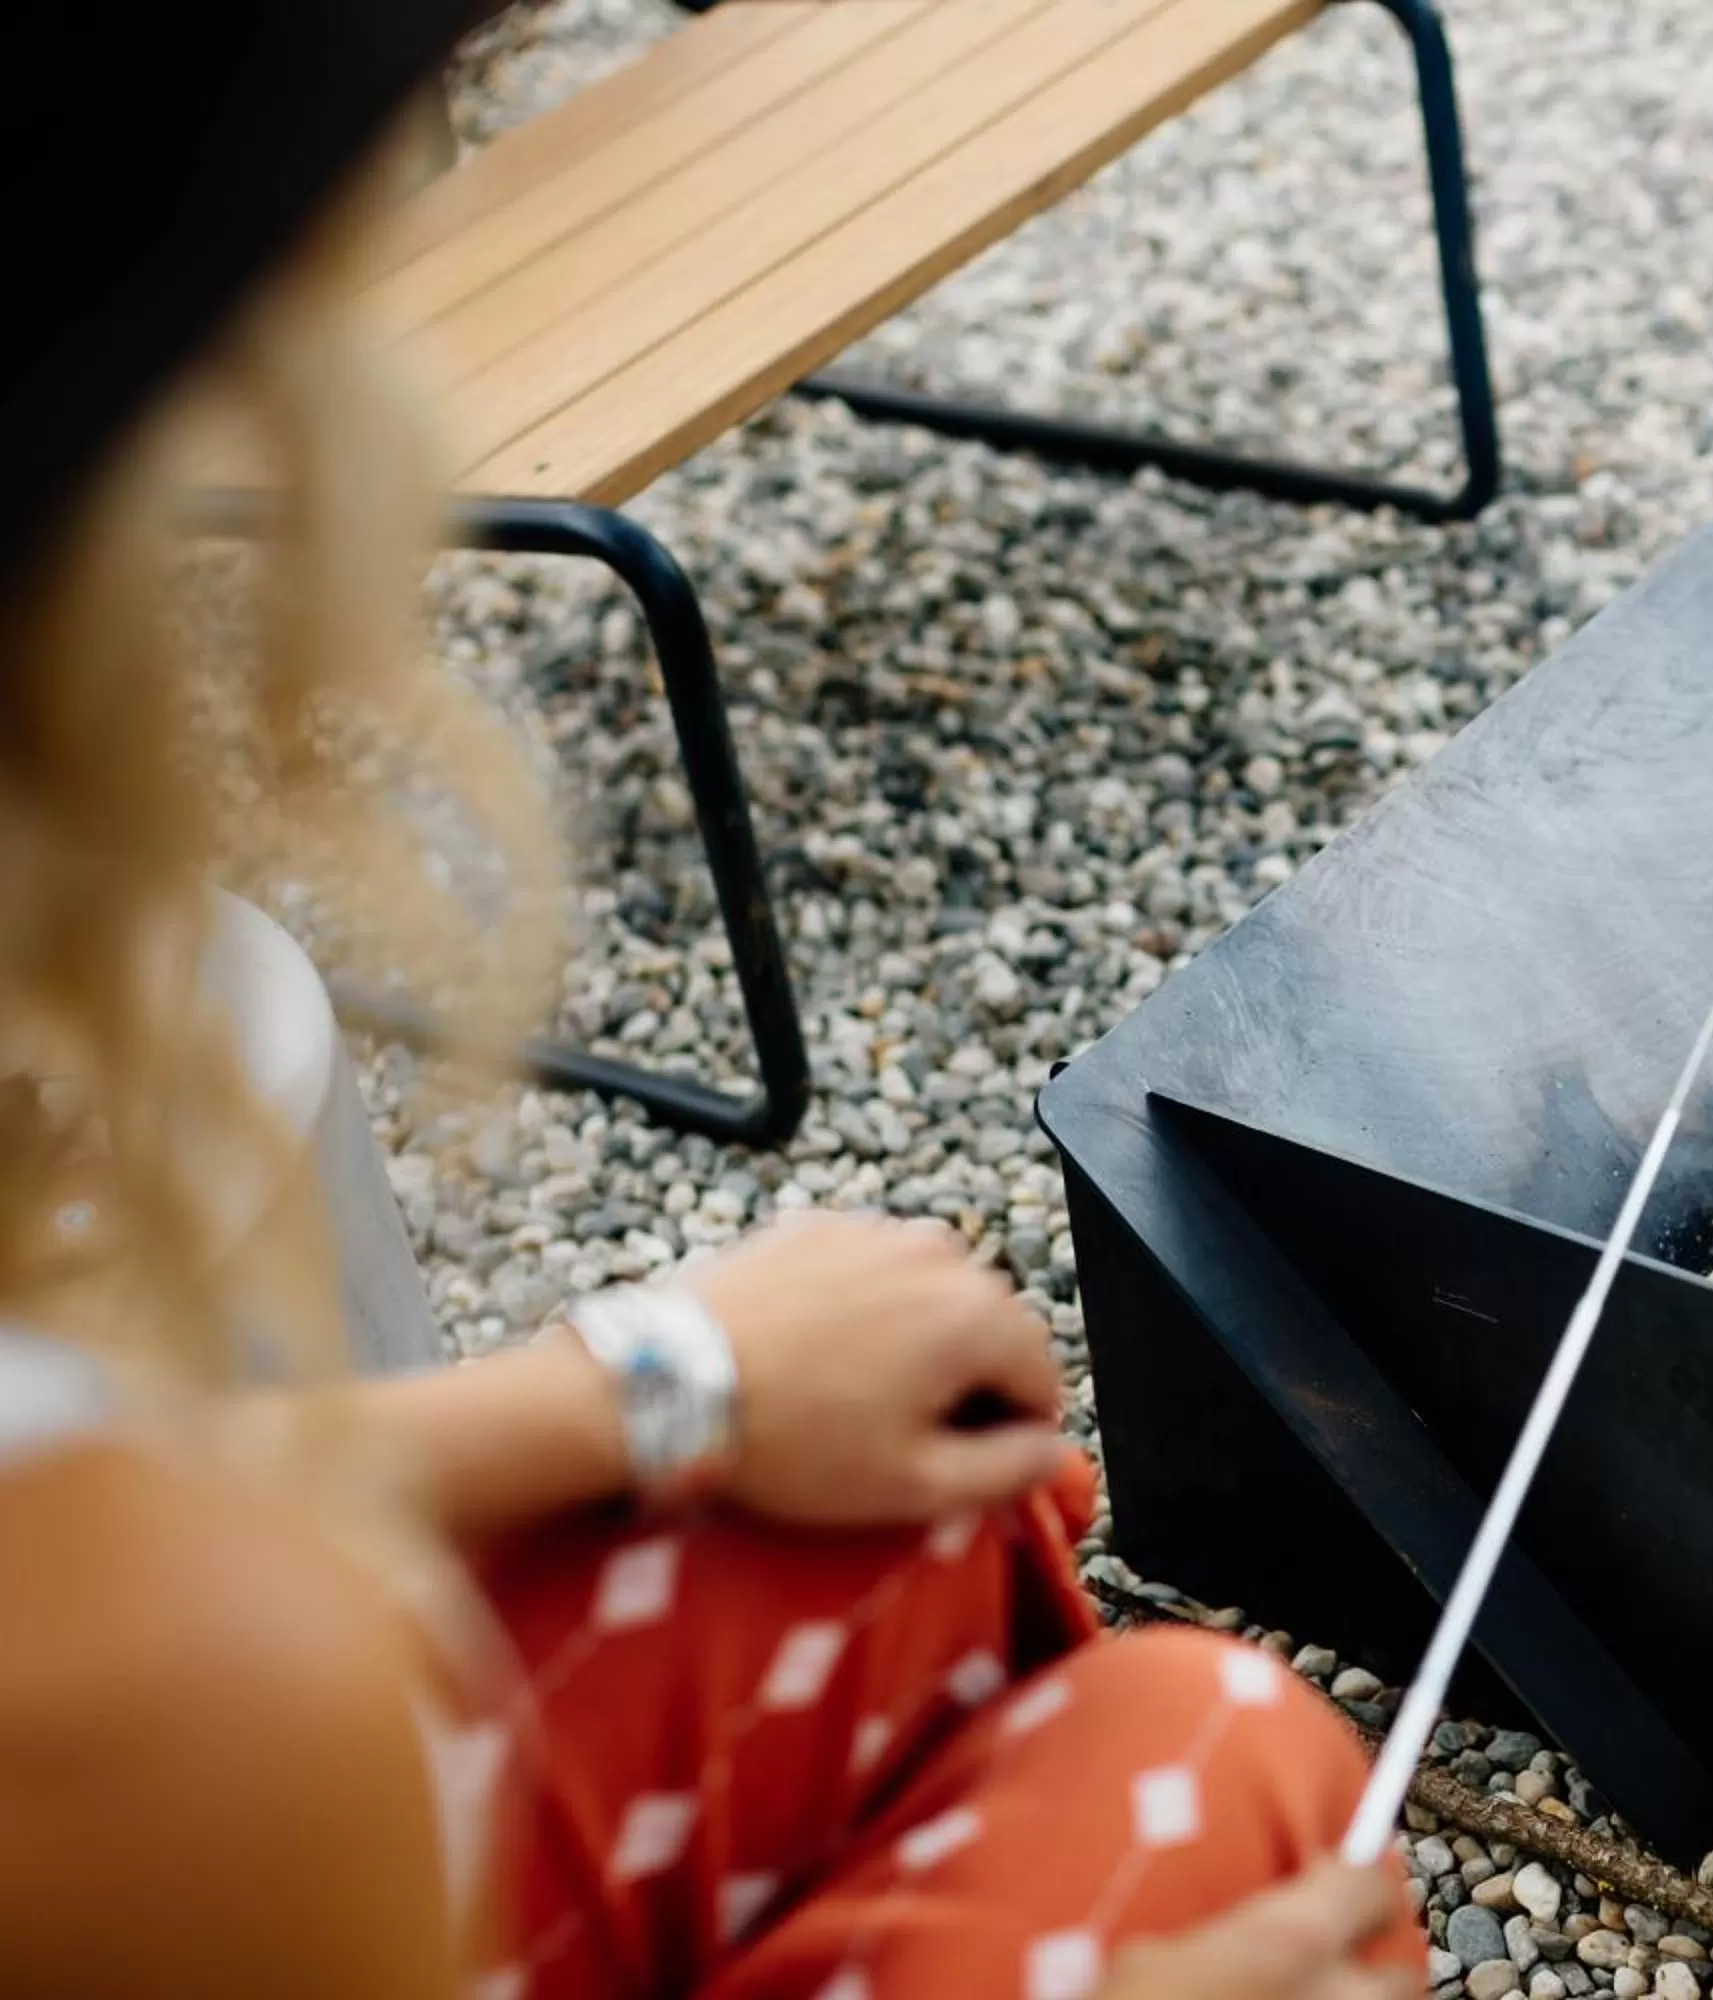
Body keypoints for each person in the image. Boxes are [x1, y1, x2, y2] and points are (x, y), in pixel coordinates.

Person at [0, 7, 1424, 1996]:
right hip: (230, 1829)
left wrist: (656, 1379)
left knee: (927, 1508)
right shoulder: (172, 1699)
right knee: (1231, 1752)